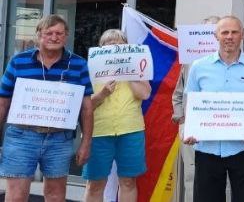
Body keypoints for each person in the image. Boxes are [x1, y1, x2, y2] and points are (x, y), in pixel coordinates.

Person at [0, 14, 94, 202]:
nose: (54, 37)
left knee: (56, 196)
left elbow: (86, 108)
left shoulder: (78, 64)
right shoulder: (18, 62)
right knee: (16, 196)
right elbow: (3, 102)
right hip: (21, 137)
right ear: (38, 35)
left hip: (59, 139)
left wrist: (86, 143)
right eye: (49, 33)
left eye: (59, 33)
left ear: (66, 36)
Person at [184, 16, 244, 201]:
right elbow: (191, 103)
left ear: (242, 35)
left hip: (242, 147)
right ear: (216, 35)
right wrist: (190, 129)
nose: (229, 36)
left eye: (234, 32)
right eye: (224, 32)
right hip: (207, 149)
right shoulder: (198, 67)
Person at [82, 29, 151, 202]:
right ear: (101, 49)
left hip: (130, 131)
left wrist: (128, 72)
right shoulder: (90, 69)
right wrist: (102, 94)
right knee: (95, 184)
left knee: (128, 182)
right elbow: (84, 107)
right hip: (98, 132)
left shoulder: (137, 68)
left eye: (120, 45)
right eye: (111, 45)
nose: (116, 49)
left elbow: (145, 94)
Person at [171, 15, 220, 202]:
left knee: (219, 177)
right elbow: (178, 92)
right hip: (191, 127)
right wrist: (181, 118)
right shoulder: (190, 62)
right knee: (191, 175)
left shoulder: (230, 63)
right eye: (206, 31)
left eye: (214, 31)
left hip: (220, 126)